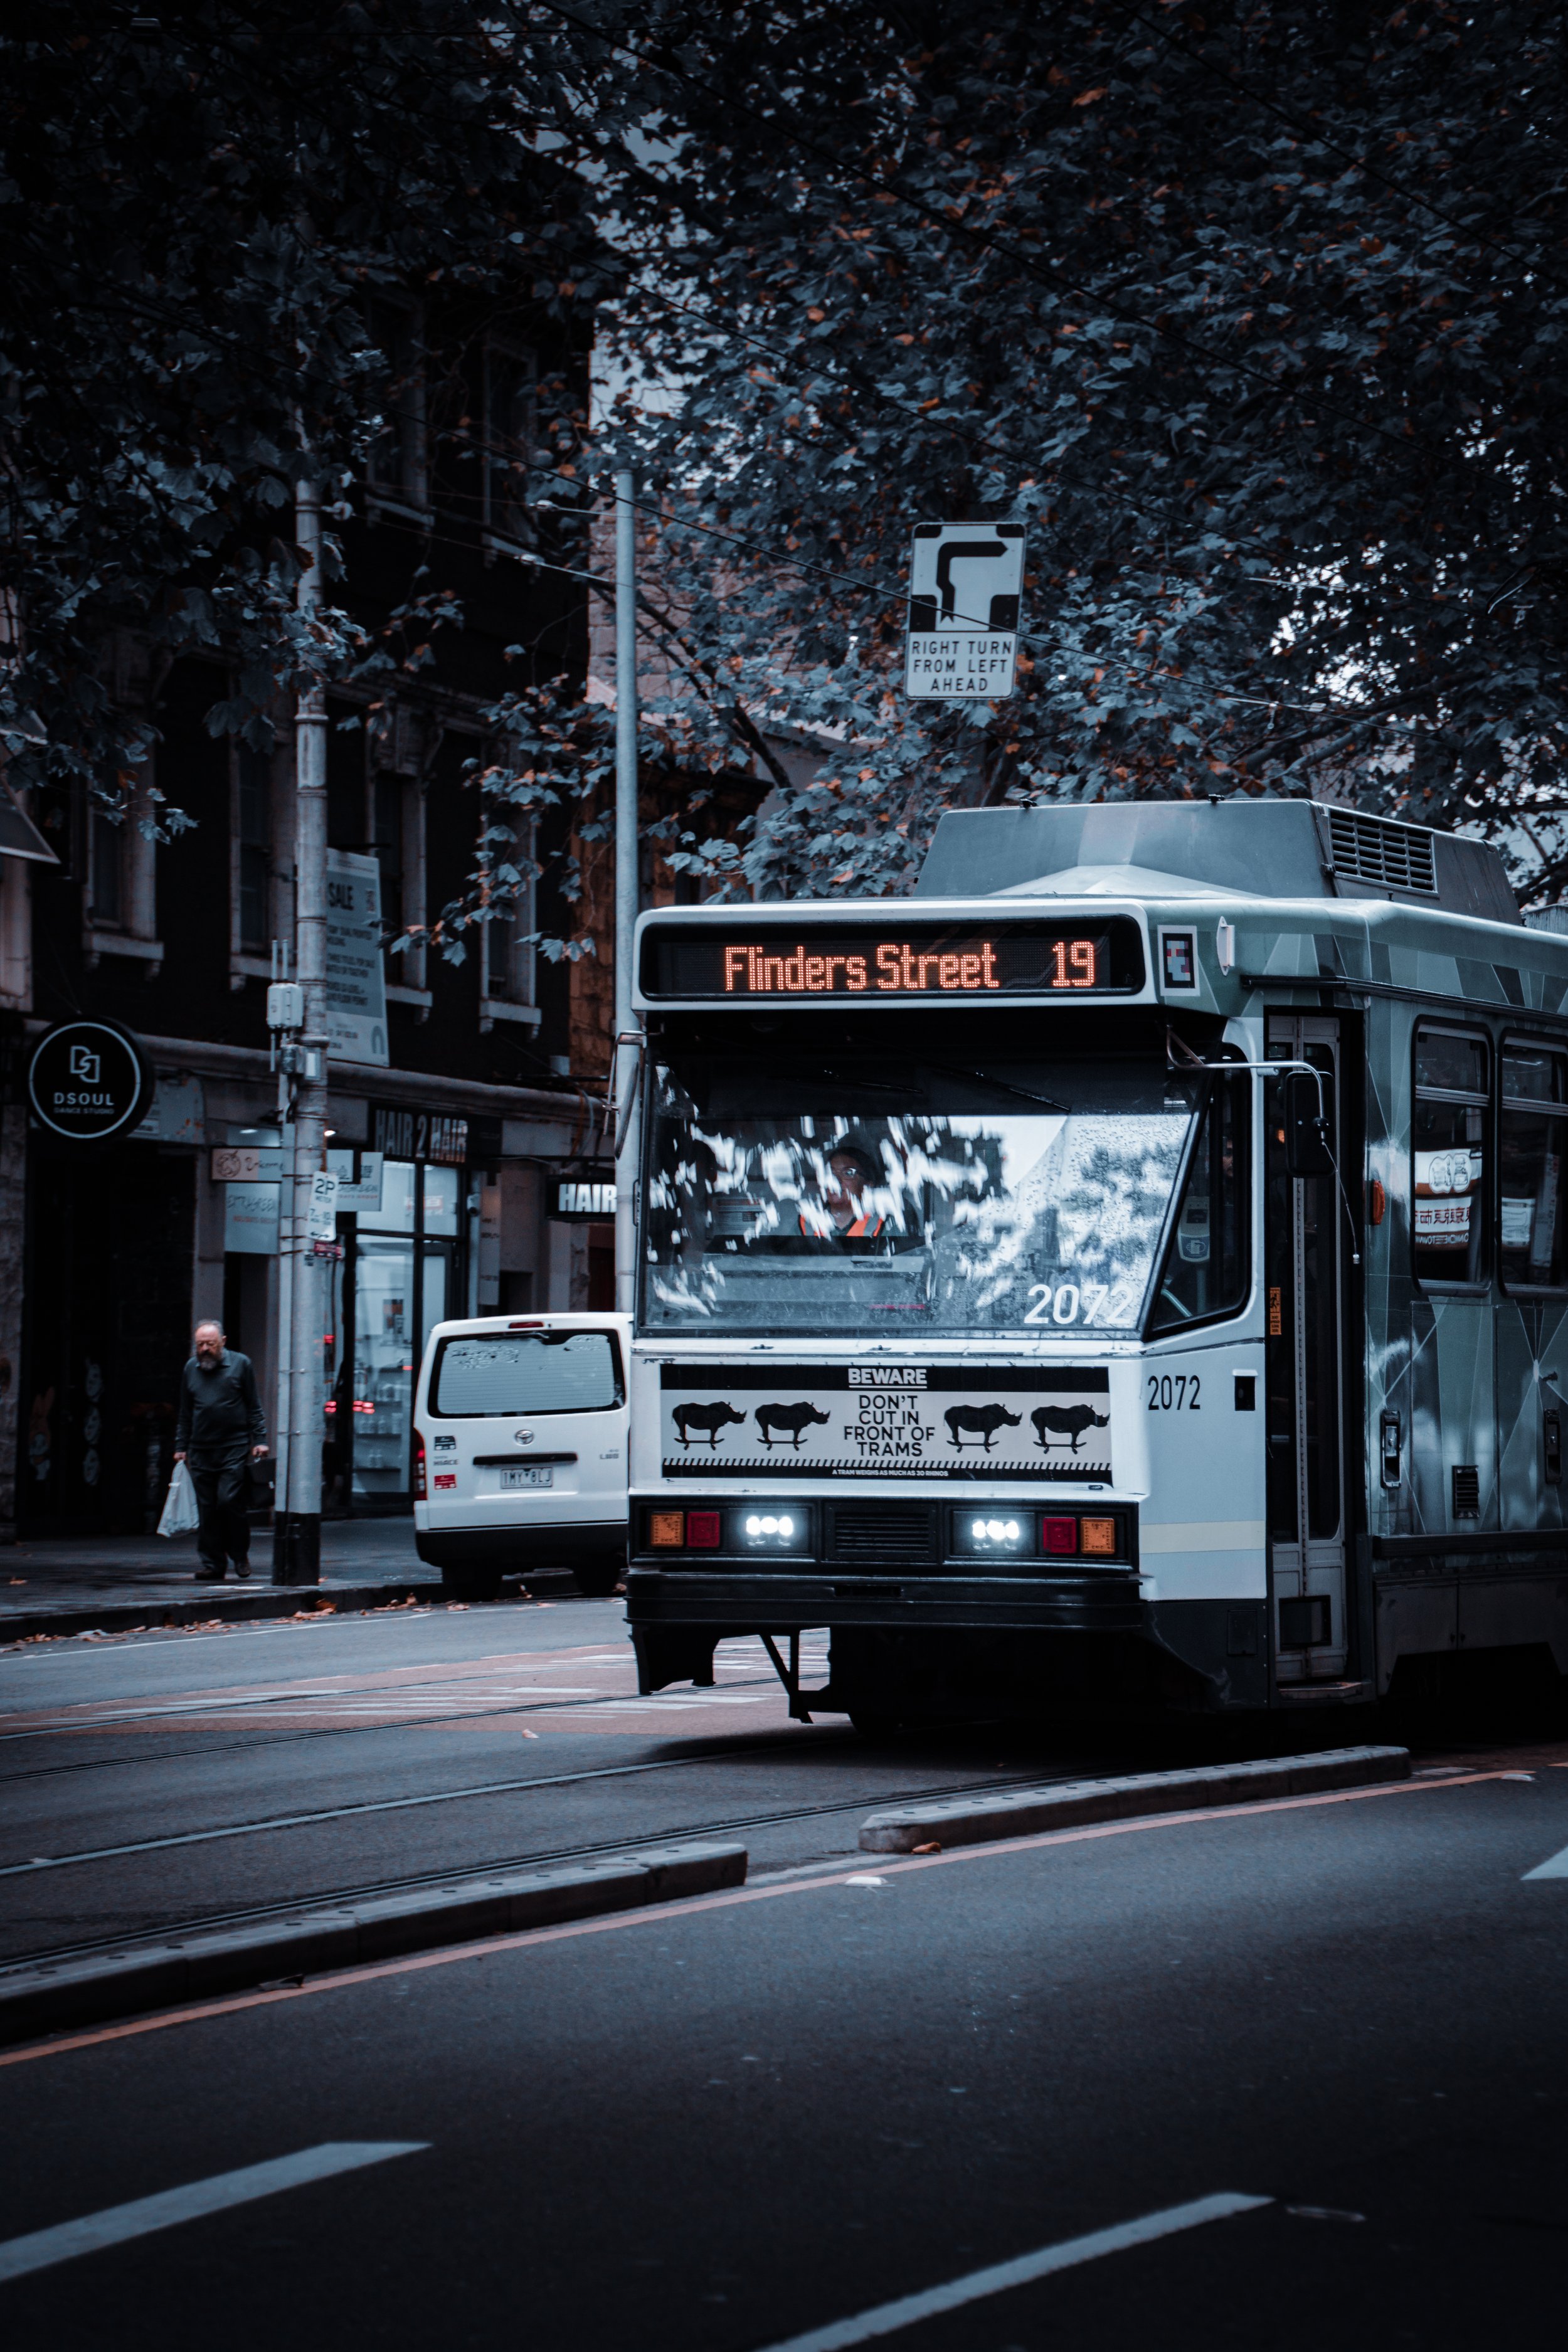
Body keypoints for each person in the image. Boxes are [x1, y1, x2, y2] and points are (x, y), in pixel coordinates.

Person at [173, 1321, 268, 1583]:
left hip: (233, 1447)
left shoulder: (241, 1364)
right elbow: (185, 1412)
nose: (204, 1349)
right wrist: (181, 1446)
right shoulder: (190, 1369)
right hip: (201, 1449)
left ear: (222, 1342)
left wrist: (260, 1439)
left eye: (210, 1344)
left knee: (228, 1501)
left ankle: (239, 1555)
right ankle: (212, 1564)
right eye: (200, 1345)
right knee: (207, 1509)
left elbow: (254, 1406)